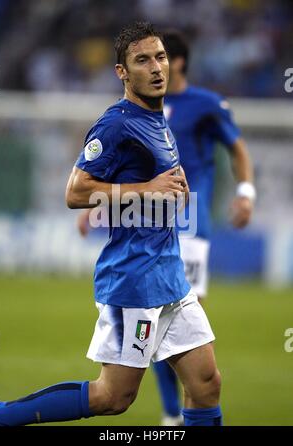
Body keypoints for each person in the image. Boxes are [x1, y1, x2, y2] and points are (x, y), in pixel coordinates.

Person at [0, 22, 222, 426]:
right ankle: (3, 415)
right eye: (142, 60)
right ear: (122, 72)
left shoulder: (156, 117)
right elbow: (76, 191)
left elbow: (142, 183)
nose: (156, 68)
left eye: (161, 57)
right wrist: (148, 187)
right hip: (133, 280)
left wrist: (171, 188)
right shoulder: (116, 123)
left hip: (170, 274)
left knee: (206, 385)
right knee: (113, 397)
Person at [150, 30, 255, 426]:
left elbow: (238, 148)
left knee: (180, 324)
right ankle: (171, 415)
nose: (153, 66)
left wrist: (245, 193)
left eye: (159, 58)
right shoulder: (143, 108)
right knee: (158, 323)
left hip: (191, 224)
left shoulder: (206, 104)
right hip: (151, 224)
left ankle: (180, 415)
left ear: (176, 62)